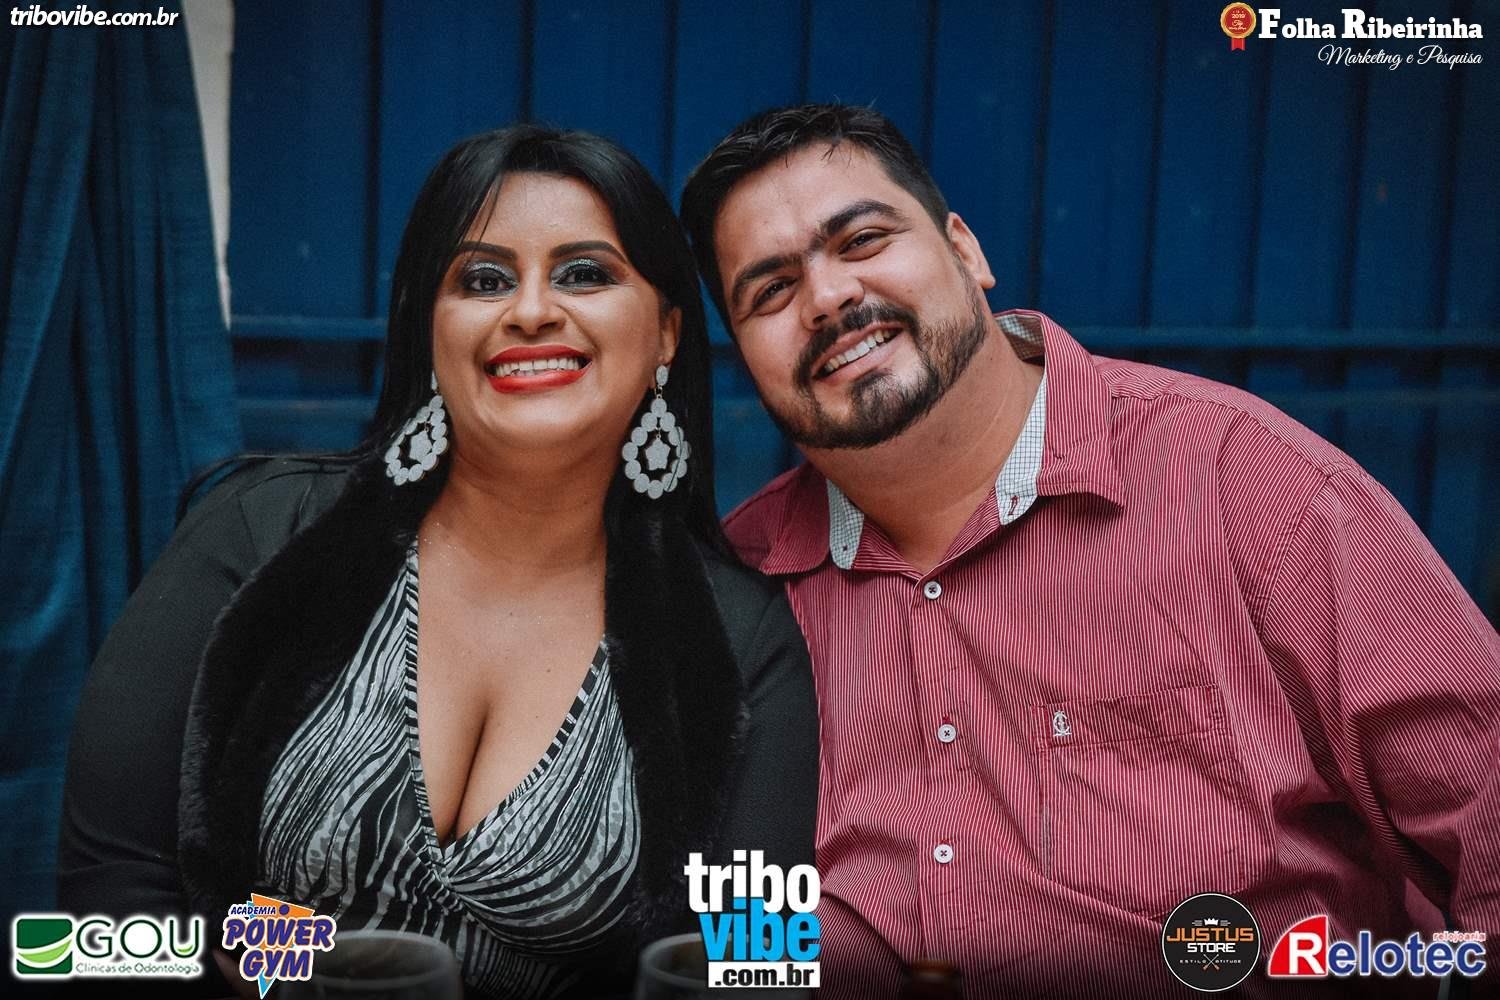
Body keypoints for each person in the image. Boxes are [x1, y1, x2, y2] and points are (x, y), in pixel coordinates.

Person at [679, 104, 1500, 997]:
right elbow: (740, 922)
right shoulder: (737, 593)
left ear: (965, 251)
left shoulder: (1245, 484)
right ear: (742, 356)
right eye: (771, 291)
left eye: (863, 241)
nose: (828, 299)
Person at [58, 124, 818, 1000]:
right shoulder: (258, 533)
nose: (529, 309)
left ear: (666, 334)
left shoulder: (742, 640)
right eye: (482, 280)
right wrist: (309, 968)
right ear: (430, 330)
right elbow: (105, 905)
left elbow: (760, 968)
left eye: (584, 274)